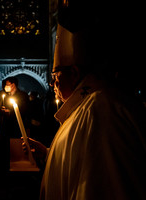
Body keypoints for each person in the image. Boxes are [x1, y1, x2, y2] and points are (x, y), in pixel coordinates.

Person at [22, 2, 146, 200]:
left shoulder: (102, 112)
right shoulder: (86, 108)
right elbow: (81, 164)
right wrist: (48, 154)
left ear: (74, 73)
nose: (52, 83)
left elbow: (105, 185)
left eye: (55, 76)